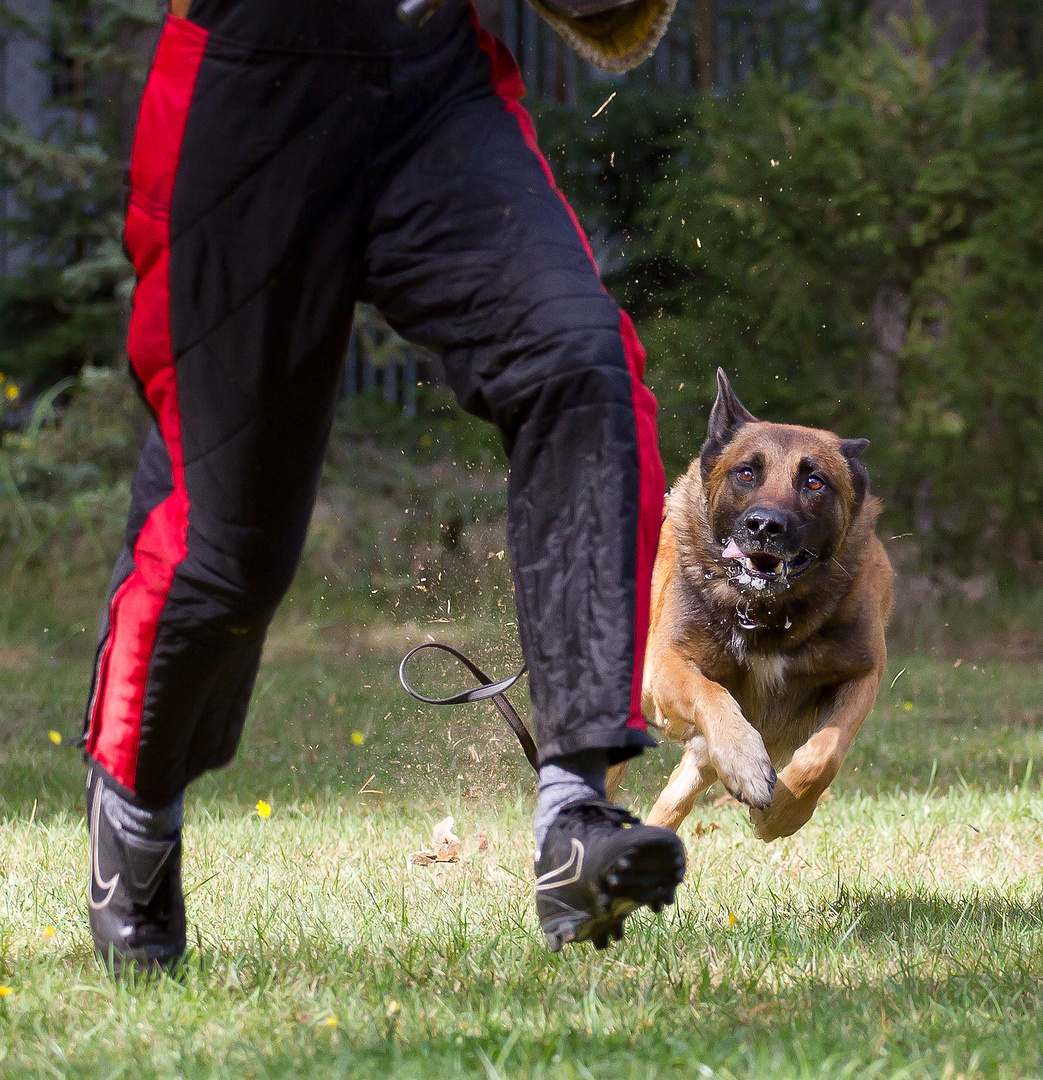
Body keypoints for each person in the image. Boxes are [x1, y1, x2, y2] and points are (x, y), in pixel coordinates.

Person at [82, 0, 684, 970]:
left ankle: (576, 812)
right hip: (247, 84)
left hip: (429, 80)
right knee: (229, 551)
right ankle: (135, 820)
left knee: (579, 365)